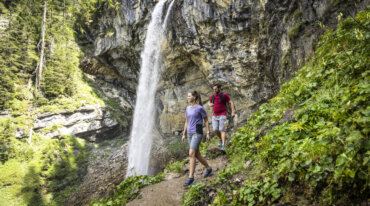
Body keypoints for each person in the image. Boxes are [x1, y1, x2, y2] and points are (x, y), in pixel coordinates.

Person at [182, 91, 213, 187]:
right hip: (189, 134)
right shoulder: (187, 108)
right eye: (187, 96)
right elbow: (186, 121)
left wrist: (208, 133)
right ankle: (208, 168)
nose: (188, 97)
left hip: (197, 132)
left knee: (191, 153)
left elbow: (206, 120)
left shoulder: (200, 108)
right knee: (197, 154)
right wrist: (184, 134)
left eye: (189, 96)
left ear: (194, 97)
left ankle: (191, 177)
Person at [208, 84, 235, 151]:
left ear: (219, 88)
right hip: (215, 115)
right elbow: (209, 102)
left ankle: (223, 145)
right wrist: (210, 104)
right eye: (213, 89)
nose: (214, 90)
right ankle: (221, 139)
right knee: (215, 130)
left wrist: (233, 112)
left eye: (216, 89)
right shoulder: (213, 96)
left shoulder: (224, 95)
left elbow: (231, 102)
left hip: (222, 115)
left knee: (222, 130)